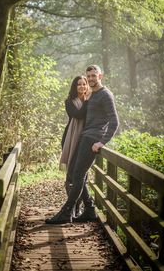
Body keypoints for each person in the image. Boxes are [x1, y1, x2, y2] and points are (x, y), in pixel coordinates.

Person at [46, 64, 119, 224]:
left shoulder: (106, 95)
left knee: (78, 174)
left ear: (100, 76)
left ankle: (66, 212)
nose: (91, 79)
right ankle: (90, 209)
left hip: (93, 138)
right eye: (89, 76)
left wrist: (102, 142)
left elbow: (114, 121)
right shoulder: (92, 94)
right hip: (84, 137)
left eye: (94, 75)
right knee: (74, 173)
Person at [59, 76, 90, 216]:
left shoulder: (92, 100)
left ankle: (78, 207)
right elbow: (78, 114)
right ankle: (72, 208)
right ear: (75, 86)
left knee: (83, 176)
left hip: (86, 141)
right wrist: (88, 101)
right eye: (79, 84)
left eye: (85, 84)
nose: (82, 86)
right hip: (71, 140)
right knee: (72, 175)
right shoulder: (69, 102)